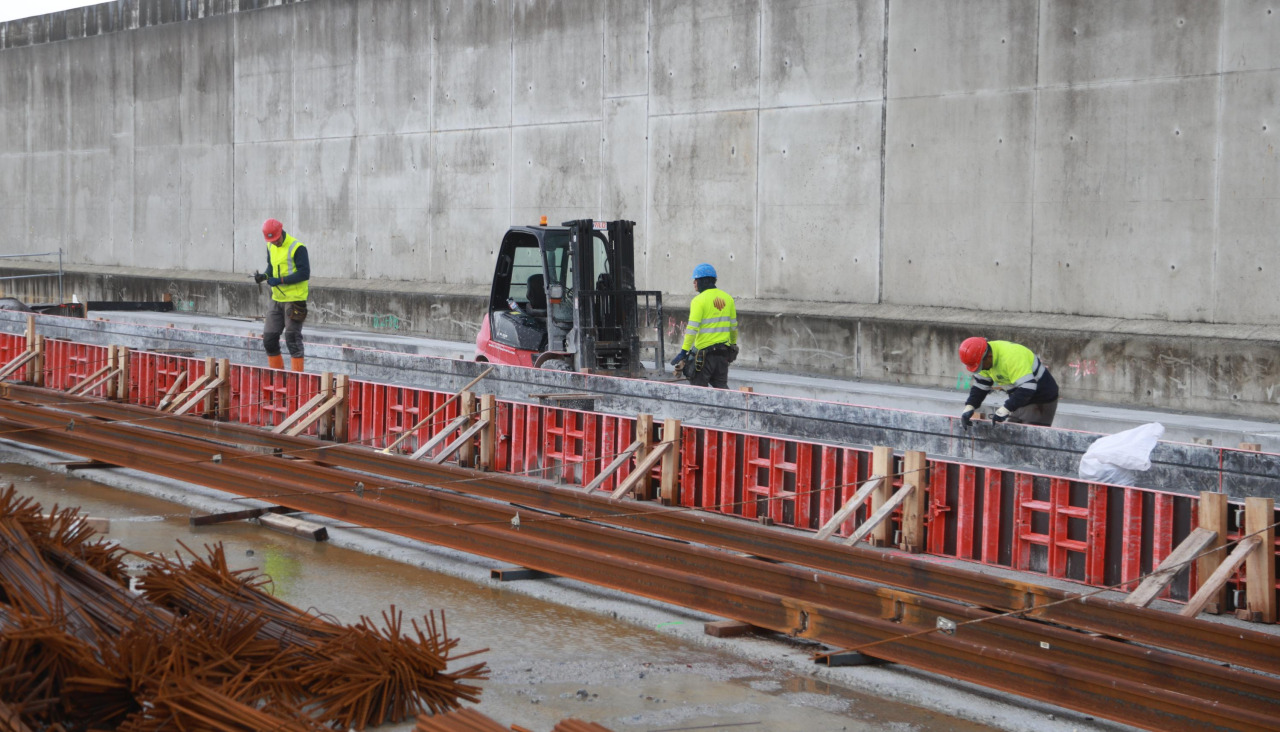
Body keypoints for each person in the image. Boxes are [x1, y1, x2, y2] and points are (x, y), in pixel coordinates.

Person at [958, 337, 1058, 427]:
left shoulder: (1012, 356)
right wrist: (970, 406)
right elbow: (981, 385)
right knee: (1012, 435)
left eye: (980, 366)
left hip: (1041, 399)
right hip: (1021, 399)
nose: (981, 369)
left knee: (1028, 440)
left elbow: (1028, 387)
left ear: (989, 356)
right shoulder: (982, 358)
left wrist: (1005, 409)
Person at [255, 218, 310, 372]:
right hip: (277, 299)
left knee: (292, 339)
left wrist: (280, 280)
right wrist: (264, 277)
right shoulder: (270, 246)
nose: (274, 242)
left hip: (294, 300)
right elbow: (271, 268)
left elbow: (304, 274)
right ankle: (277, 377)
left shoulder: (297, 247)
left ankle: (297, 379)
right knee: (269, 340)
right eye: (271, 240)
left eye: (276, 239)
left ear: (281, 232)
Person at [670, 263, 738, 388]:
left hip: (704, 357)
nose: (694, 283)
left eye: (696, 280)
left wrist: (684, 351)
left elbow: (692, 329)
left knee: (699, 391)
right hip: (722, 355)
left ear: (704, 281)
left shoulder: (698, 300)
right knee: (722, 390)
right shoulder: (728, 299)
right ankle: (729, 408)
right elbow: (733, 327)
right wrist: (733, 344)